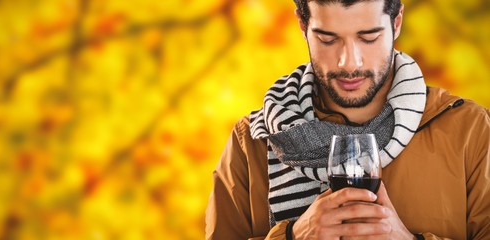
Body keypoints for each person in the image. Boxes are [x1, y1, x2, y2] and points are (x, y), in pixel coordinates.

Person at [205, 0, 490, 239]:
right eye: (327, 39)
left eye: (368, 37)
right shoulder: (251, 141)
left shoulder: (470, 130)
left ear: (397, 22)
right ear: (303, 26)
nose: (349, 63)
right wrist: (293, 235)